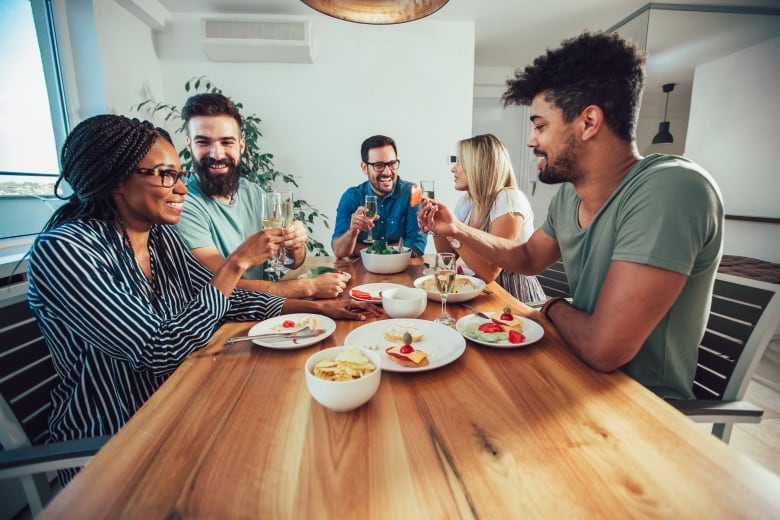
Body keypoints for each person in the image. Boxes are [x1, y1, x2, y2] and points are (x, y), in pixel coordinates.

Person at [27, 115, 381, 483]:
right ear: (118, 179)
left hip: (184, 404)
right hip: (118, 437)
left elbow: (223, 298)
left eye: (179, 176)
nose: (180, 189)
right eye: (166, 175)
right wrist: (238, 261)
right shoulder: (65, 250)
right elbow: (158, 350)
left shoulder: (159, 239)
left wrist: (319, 308)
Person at [418, 31, 724, 399]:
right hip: (570, 369)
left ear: (589, 121)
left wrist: (552, 306)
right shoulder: (569, 196)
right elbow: (528, 257)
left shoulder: (671, 189)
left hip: (636, 404)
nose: (531, 140)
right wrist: (455, 229)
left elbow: (603, 348)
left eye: (541, 125)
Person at [177, 93, 348, 299]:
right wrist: (307, 287)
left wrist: (296, 244)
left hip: (268, 309)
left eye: (226, 142)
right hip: (227, 323)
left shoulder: (252, 191)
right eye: (204, 142)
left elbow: (291, 263)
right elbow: (220, 288)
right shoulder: (183, 204)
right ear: (189, 145)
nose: (217, 154)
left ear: (241, 145)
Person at [432, 134, 545, 303]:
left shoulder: (509, 199)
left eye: (461, 162)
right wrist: (436, 228)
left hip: (512, 297)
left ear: (479, 166)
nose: (453, 168)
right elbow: (449, 257)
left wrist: (454, 232)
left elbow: (490, 272)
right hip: (481, 293)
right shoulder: (467, 201)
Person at [331, 135, 427, 258]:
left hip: (402, 271)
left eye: (392, 164)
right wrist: (352, 233)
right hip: (362, 271)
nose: (387, 172)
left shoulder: (413, 193)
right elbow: (339, 251)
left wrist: (363, 249)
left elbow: (416, 247)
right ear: (364, 168)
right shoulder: (351, 197)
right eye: (379, 165)